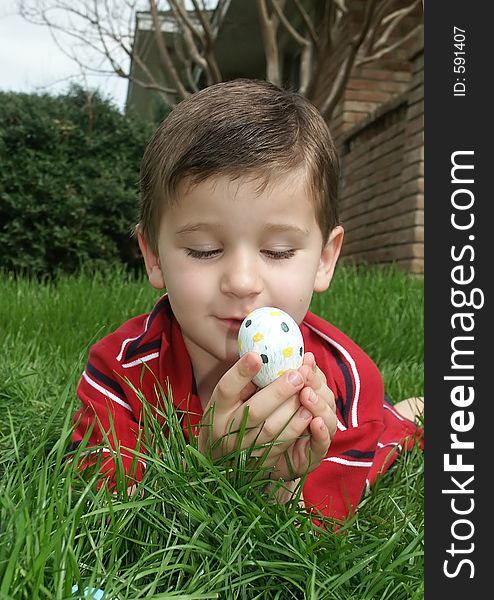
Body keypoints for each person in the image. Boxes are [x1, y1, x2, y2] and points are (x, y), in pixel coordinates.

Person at [71, 78, 423, 523]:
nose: (241, 281)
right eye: (204, 250)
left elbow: (318, 541)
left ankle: (405, 415)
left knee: (394, 434)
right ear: (154, 256)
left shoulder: (344, 387)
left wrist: (281, 485)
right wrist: (205, 466)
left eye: (277, 252)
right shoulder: (119, 371)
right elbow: (97, 511)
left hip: (366, 422)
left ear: (324, 260)